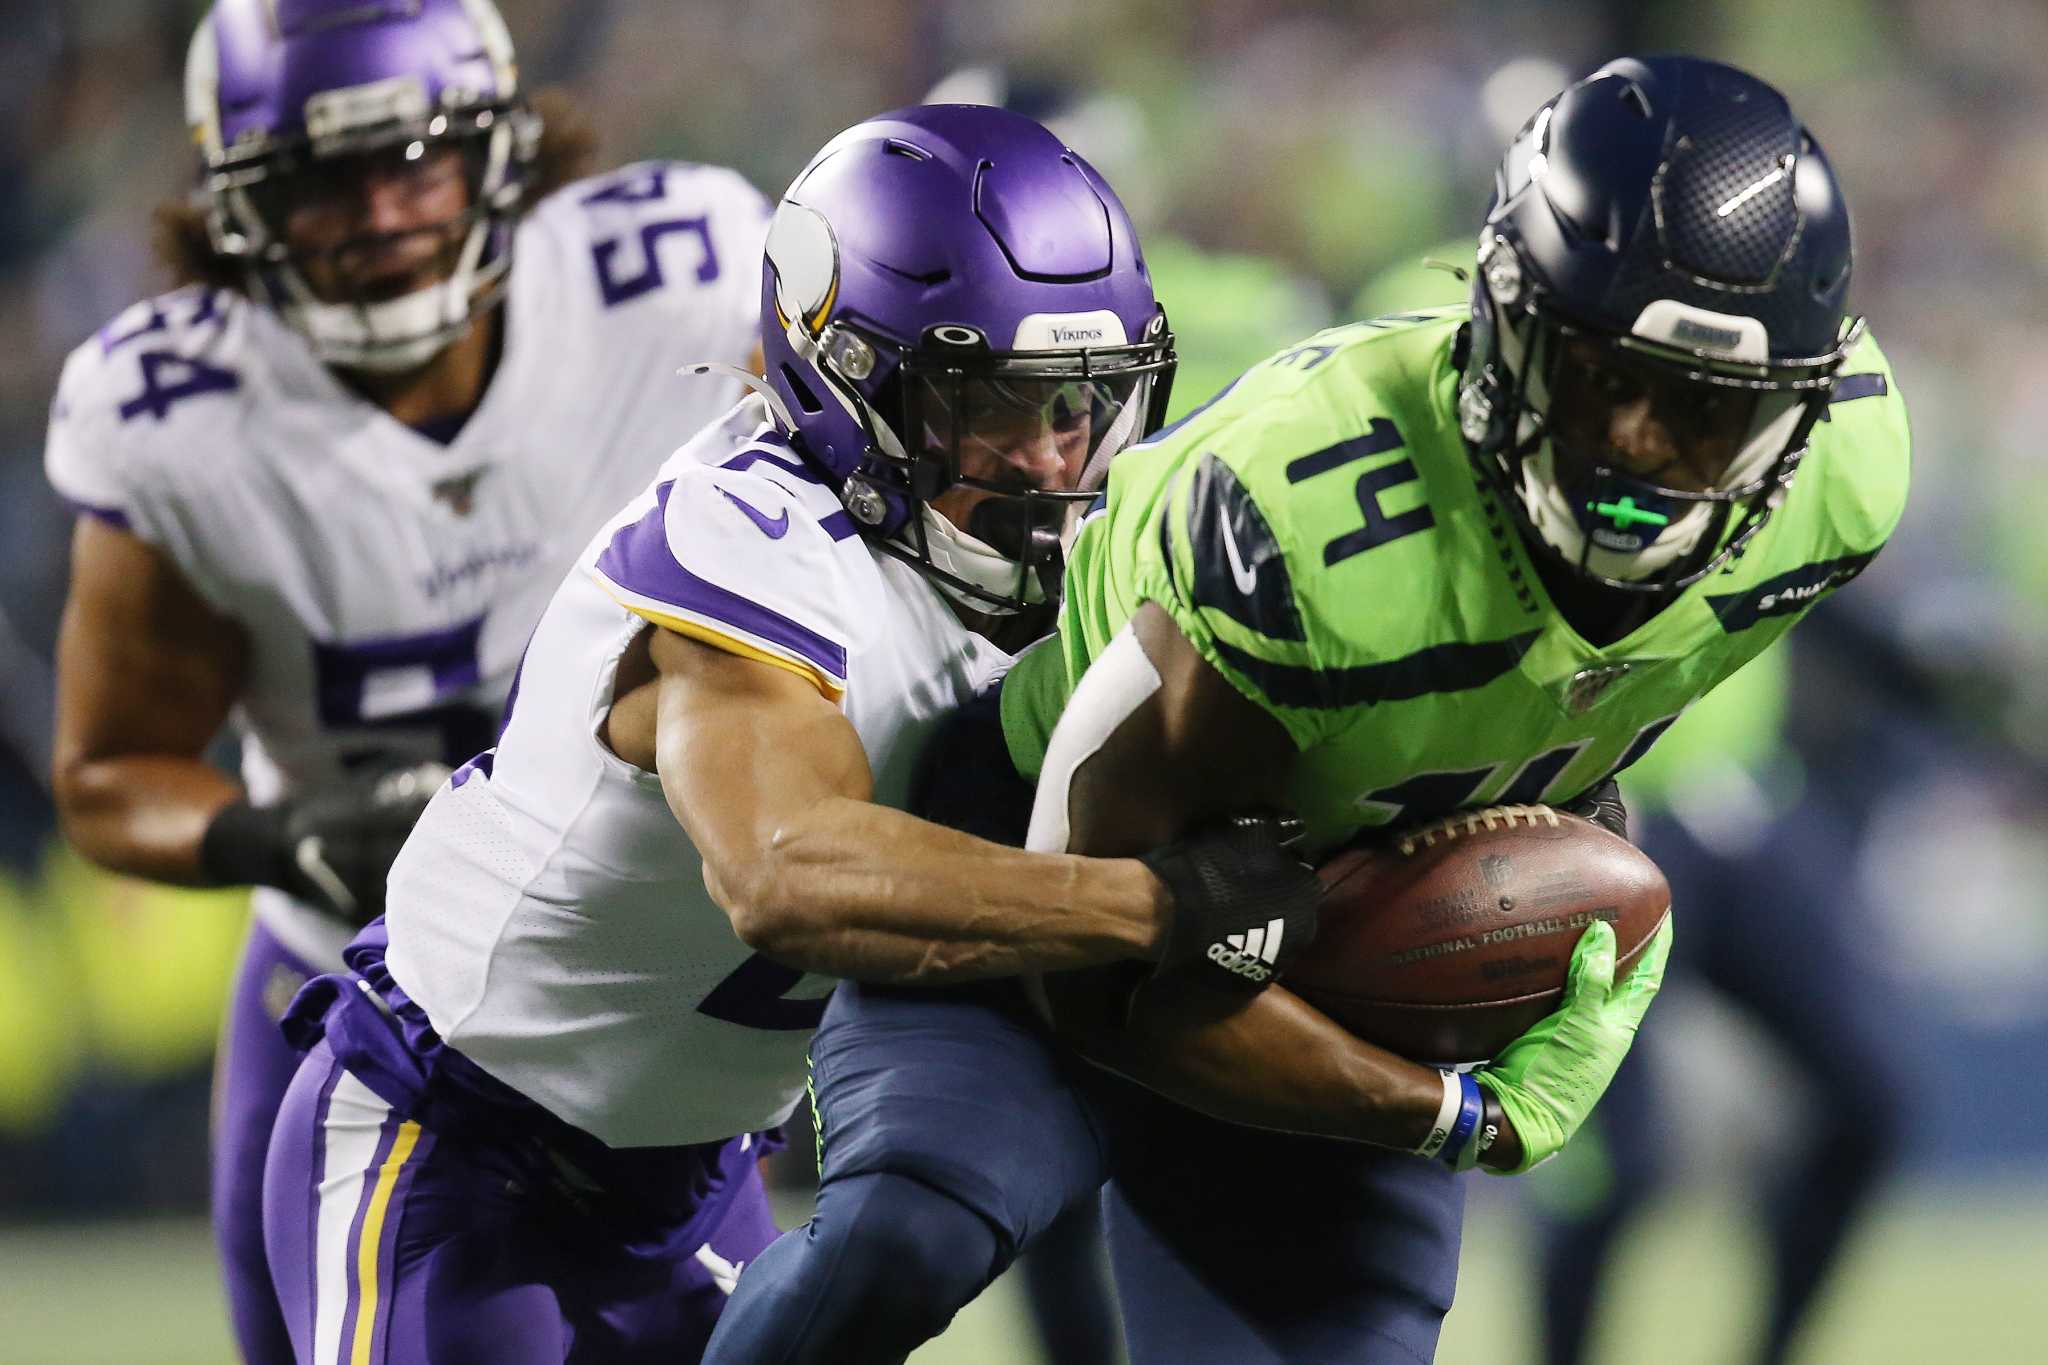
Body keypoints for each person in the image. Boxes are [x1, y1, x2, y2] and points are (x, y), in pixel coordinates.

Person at [702, 54, 1911, 1364]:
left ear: (1794, 418)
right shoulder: (1309, 523)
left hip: (1330, 945)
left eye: (1701, 416)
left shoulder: (1844, 479)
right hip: (1057, 881)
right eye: (1593, 377)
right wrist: (1443, 1112)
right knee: (898, 1244)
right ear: (1499, 324)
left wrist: (1569, 817)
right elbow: (1106, 958)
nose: (1633, 450)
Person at [255, 103, 1332, 1364]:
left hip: (699, 1179)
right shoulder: (752, 544)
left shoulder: (1067, 568)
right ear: (847, 381)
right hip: (456, 1138)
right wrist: (1153, 906)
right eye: (991, 404)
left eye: (1081, 406)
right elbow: (786, 876)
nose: (1050, 463)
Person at [42, 1, 771, 1359]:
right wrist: (279, 836)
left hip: (630, 989)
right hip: (350, 1003)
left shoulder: (681, 280)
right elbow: (102, 774)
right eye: (322, 180)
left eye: (418, 159)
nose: (379, 212)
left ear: (500, 150)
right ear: (237, 202)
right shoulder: (171, 418)